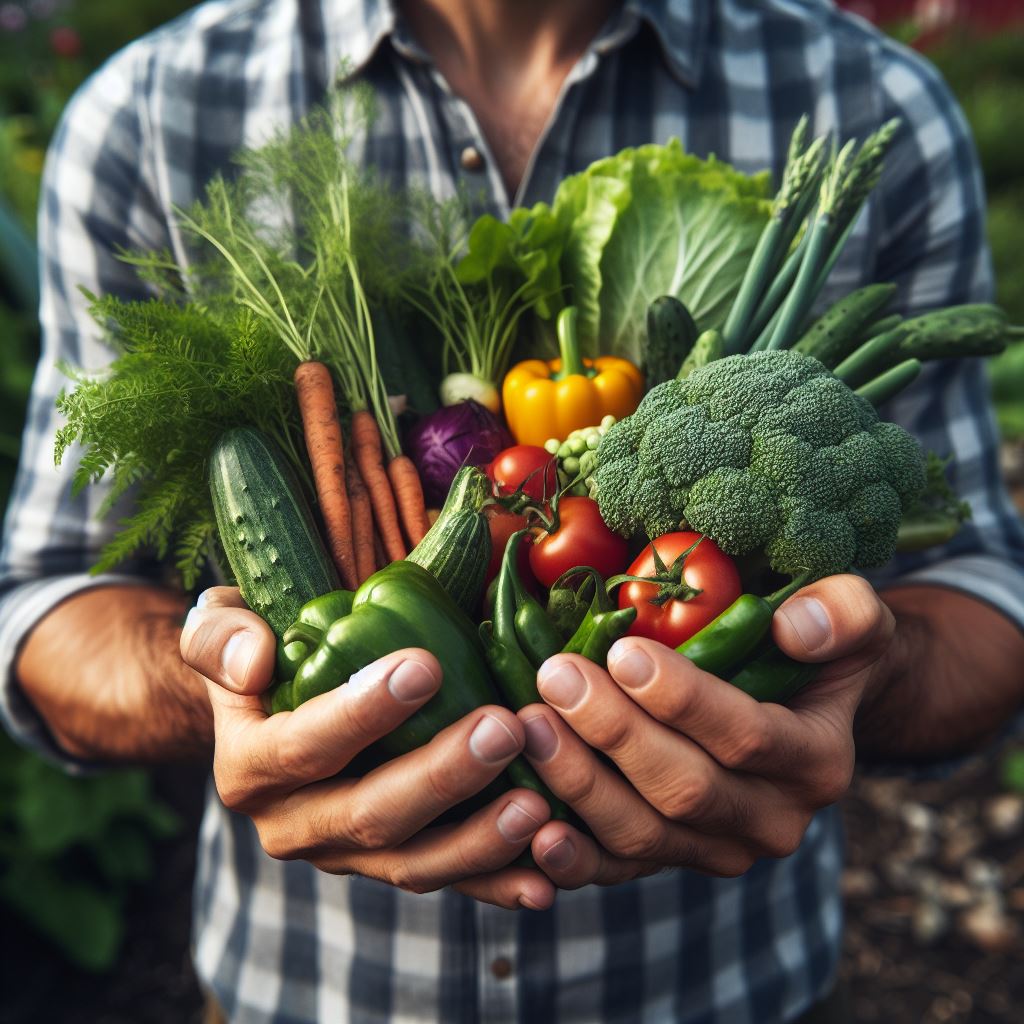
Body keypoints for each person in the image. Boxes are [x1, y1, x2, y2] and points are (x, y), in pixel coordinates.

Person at [2, 0, 1023, 1021]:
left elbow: (983, 596)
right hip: (315, 992)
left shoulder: (874, 101)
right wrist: (239, 696)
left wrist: (851, 674)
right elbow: (47, 604)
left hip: (722, 989)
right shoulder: (147, 111)